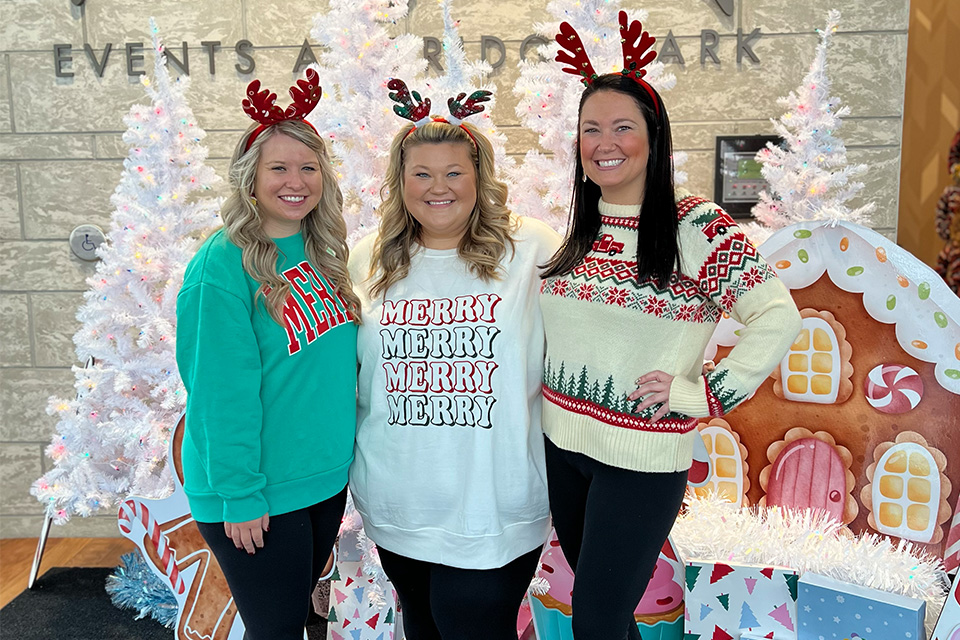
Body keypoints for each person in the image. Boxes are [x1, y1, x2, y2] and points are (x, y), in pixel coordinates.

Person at [539, 13, 803, 640]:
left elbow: (776, 316)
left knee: (597, 619)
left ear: (653, 139)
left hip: (640, 457)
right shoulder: (577, 228)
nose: (606, 141)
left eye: (623, 127)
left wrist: (701, 395)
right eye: (591, 129)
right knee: (604, 613)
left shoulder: (696, 226)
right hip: (561, 448)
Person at [347, 80, 560, 640]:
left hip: (496, 502)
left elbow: (601, 322)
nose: (437, 187)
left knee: (472, 625)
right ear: (400, 183)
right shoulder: (366, 258)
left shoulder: (531, 249)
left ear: (479, 178)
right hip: (397, 500)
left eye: (453, 172)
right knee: (422, 625)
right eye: (421, 173)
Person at [176, 70, 360, 640]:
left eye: (309, 167)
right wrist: (240, 493)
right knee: (275, 630)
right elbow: (219, 393)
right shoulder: (220, 266)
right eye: (278, 167)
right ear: (250, 177)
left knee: (306, 620)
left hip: (321, 481)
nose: (295, 181)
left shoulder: (320, 248)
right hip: (258, 491)